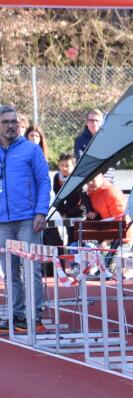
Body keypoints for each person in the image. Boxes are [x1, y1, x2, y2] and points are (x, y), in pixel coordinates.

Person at [0, 105, 51, 333]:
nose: (11, 126)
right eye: (6, 122)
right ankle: (17, 315)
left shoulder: (31, 149)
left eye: (14, 122)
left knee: (32, 268)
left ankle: (34, 315)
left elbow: (44, 181)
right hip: (2, 221)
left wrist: (41, 211)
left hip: (28, 219)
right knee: (10, 271)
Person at [52, 152, 91, 245]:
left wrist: (89, 210)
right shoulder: (57, 177)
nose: (64, 168)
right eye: (62, 165)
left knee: (81, 237)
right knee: (70, 236)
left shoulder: (77, 176)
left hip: (81, 209)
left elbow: (83, 195)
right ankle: (70, 251)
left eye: (67, 166)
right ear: (58, 165)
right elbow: (58, 196)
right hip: (67, 211)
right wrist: (62, 211)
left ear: (74, 166)